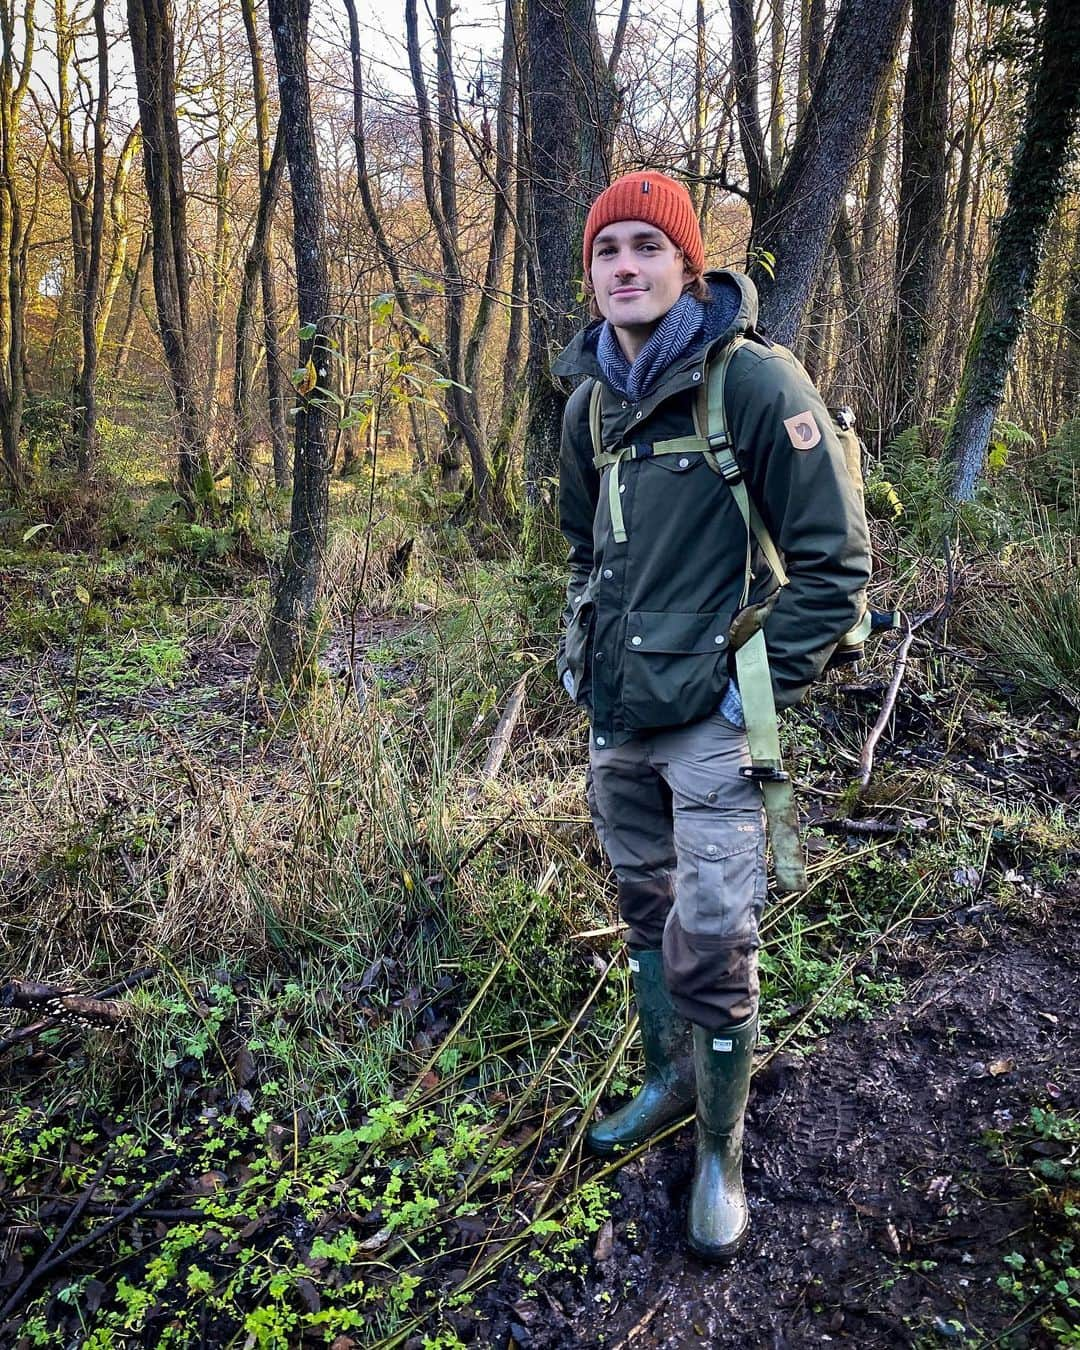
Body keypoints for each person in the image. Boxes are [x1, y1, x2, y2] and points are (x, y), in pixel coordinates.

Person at [554, 170, 871, 1260]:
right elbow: (584, 545)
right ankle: (665, 1084)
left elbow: (835, 570)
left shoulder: (752, 383)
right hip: (618, 713)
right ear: (591, 272)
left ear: (690, 264)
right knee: (645, 910)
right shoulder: (588, 402)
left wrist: (748, 688)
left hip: (719, 722)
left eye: (648, 246)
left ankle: (721, 1151)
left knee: (714, 938)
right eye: (608, 251)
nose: (626, 267)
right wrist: (587, 662)